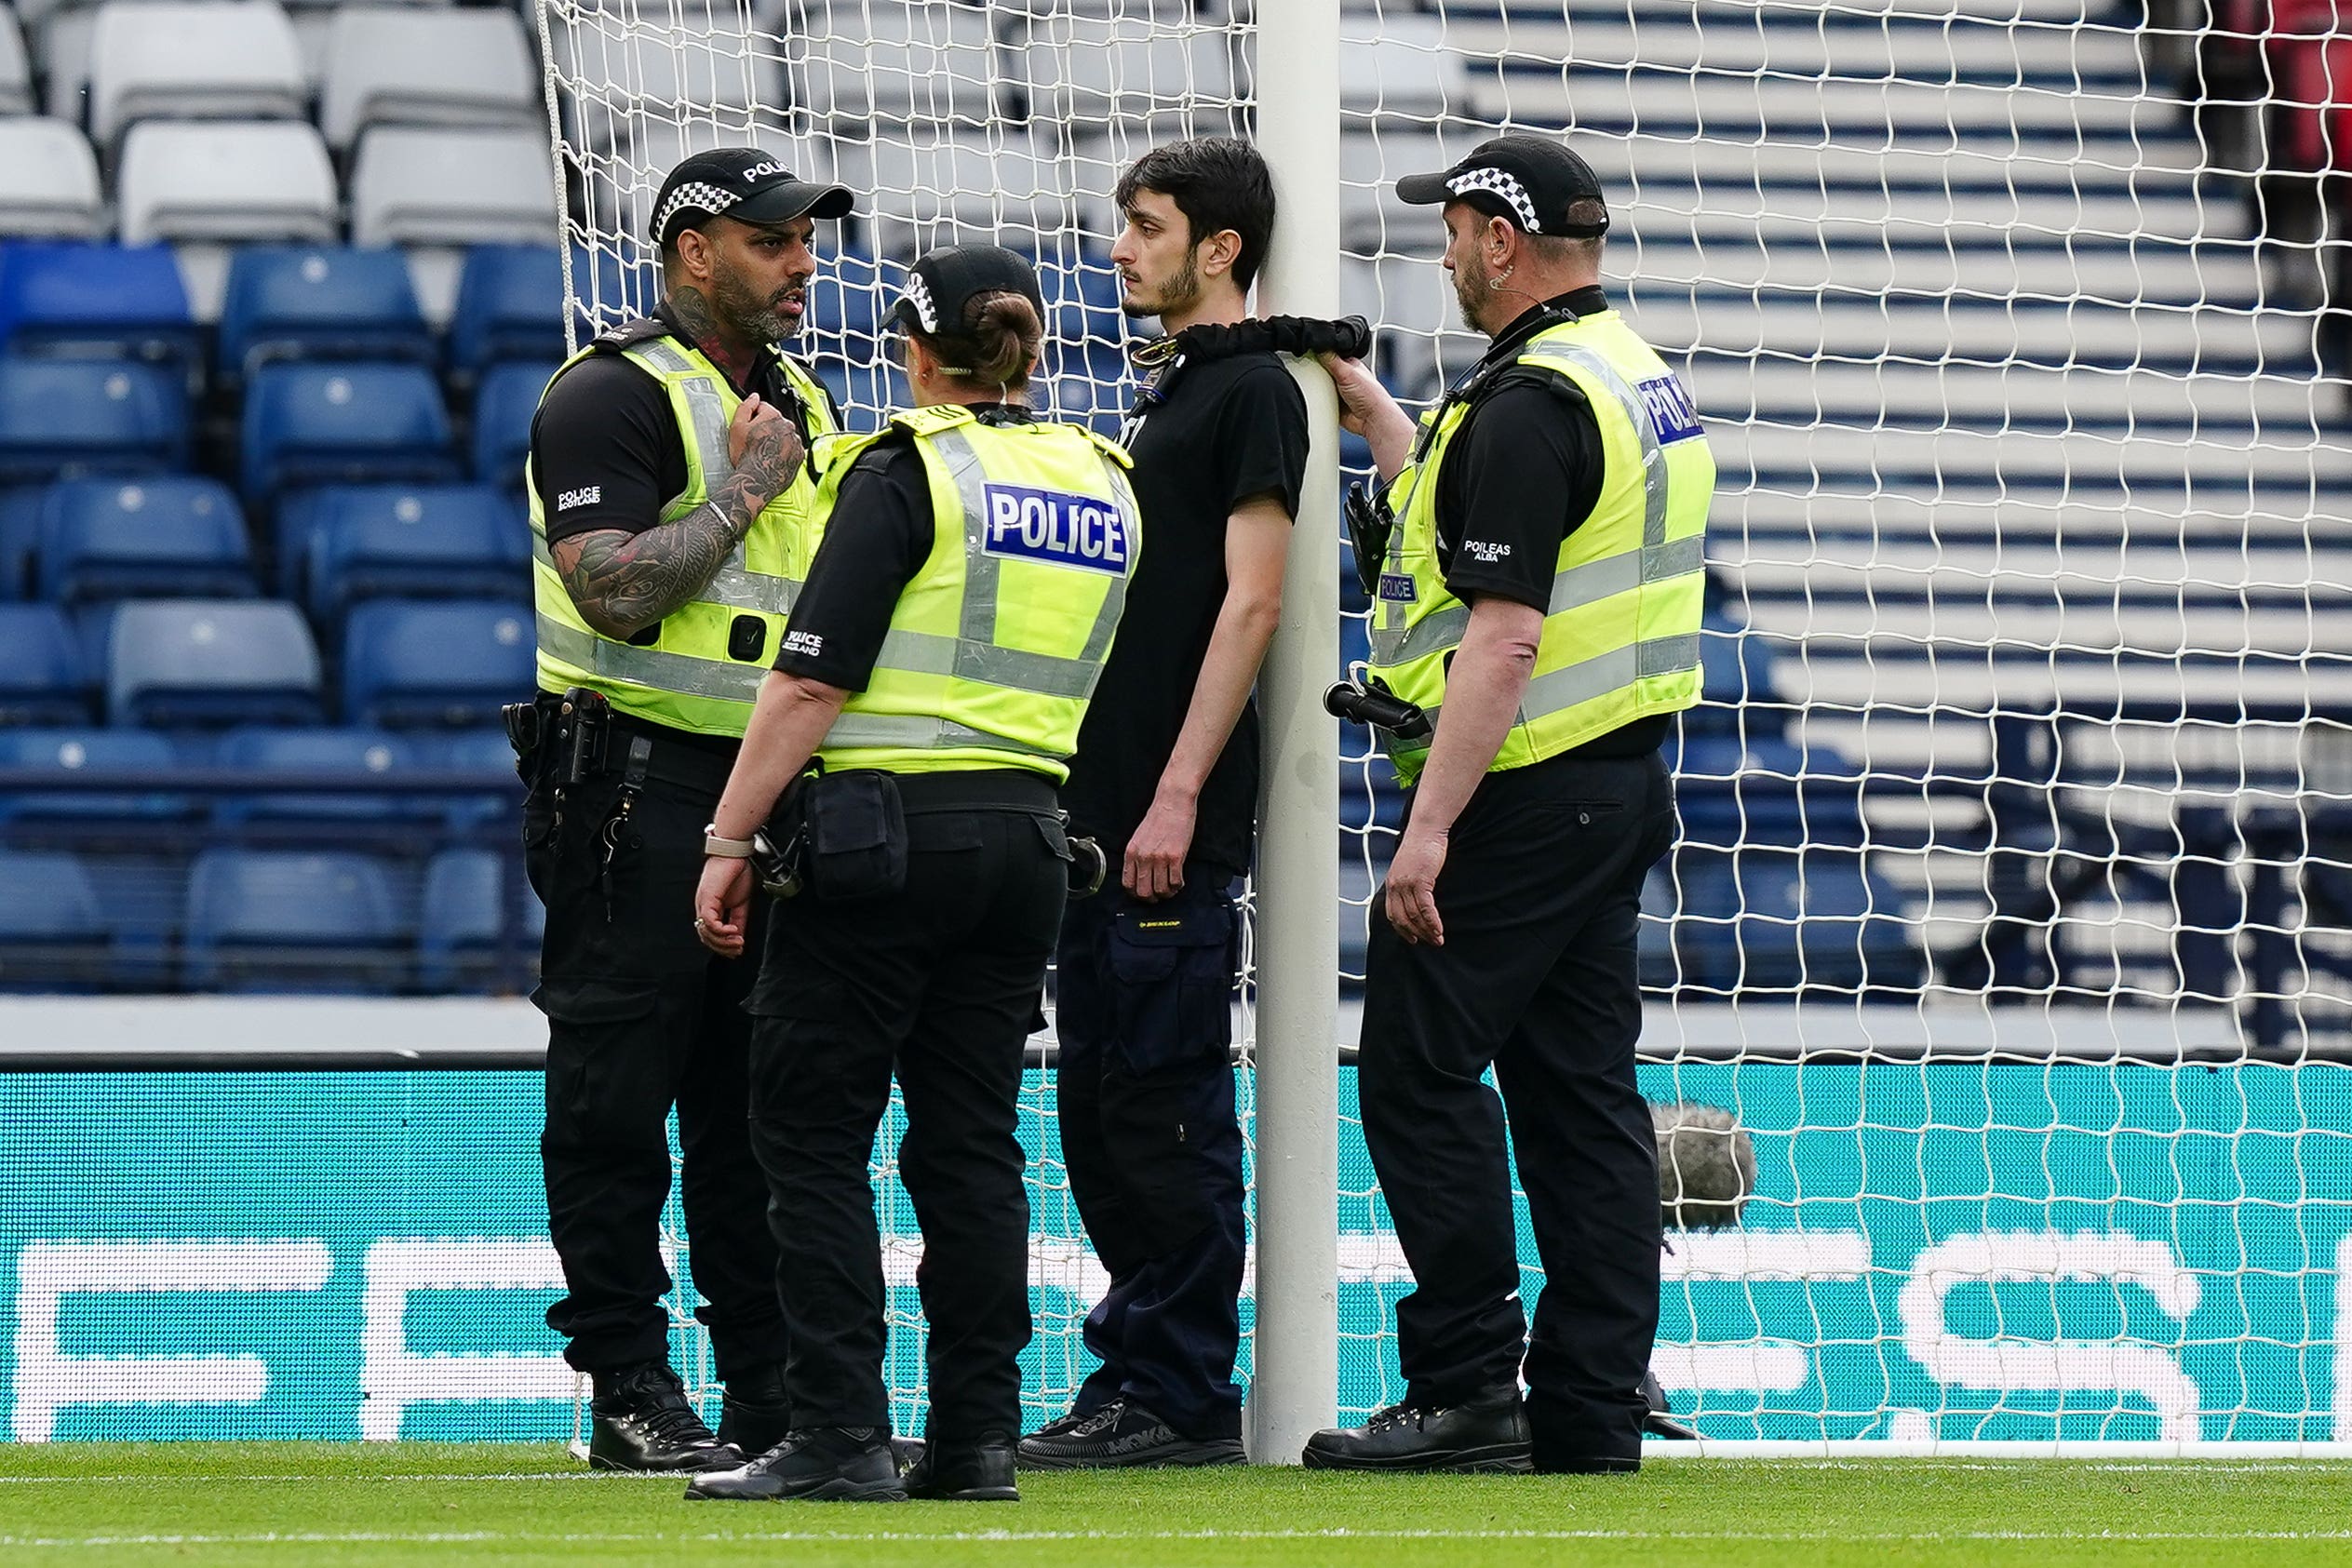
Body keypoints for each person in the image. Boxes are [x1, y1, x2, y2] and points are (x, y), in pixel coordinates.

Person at [682, 244, 1143, 1505]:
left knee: (812, 1130)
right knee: (969, 1145)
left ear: (916, 347)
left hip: (882, 840)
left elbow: (814, 676)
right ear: (1033, 349)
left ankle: (837, 1427)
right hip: (1031, 842)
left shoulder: (905, 470)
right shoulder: (1105, 481)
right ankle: (977, 1438)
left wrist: (730, 836)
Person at [1299, 134, 1714, 1475]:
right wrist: (1375, 414)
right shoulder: (1629, 373)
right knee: (1579, 1094)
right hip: (1613, 778)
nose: (1444, 251)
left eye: (1457, 226)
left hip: (1520, 788)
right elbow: (1493, 514)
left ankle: (1468, 1380)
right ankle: (1590, 1405)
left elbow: (1507, 634)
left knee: (1420, 1074)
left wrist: (1427, 835)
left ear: (1499, 237)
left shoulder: (1533, 400)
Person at [516, 147, 852, 1472]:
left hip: (767, 799)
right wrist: (740, 494)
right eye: (772, 241)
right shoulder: (606, 395)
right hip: (630, 791)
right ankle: (629, 1379)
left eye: (804, 240)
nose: (801, 264)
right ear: (693, 251)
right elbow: (611, 590)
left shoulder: (804, 397)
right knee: (614, 1095)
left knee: (757, 1106)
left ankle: (767, 1386)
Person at [1017, 138, 1307, 1470]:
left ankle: (1180, 1389)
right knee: (1103, 1108)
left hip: (1163, 825)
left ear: (1220, 248)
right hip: (1108, 816)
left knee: (1165, 1106)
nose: (1119, 247)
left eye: (1142, 225)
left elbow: (1254, 598)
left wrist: (1179, 793)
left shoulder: (1246, 391)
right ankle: (1138, 1368)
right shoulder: (1183, 390)